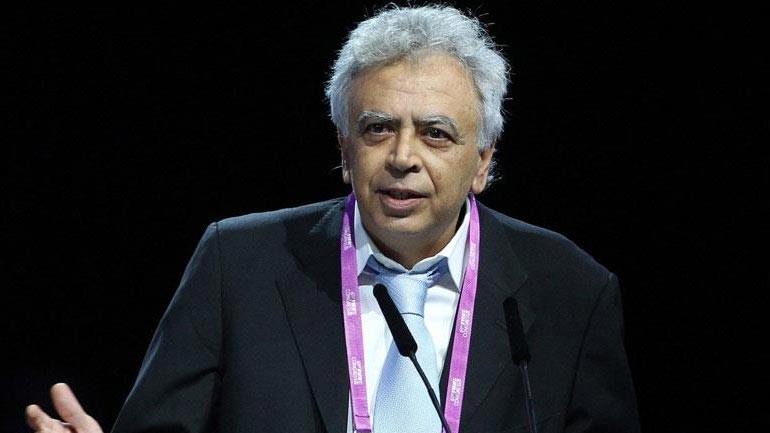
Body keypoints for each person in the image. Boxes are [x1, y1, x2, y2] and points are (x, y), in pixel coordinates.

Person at [26, 5, 640, 433]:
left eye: (435, 133)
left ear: (482, 162)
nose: (403, 157)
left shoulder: (571, 289)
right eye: (378, 129)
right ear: (345, 151)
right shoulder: (236, 265)